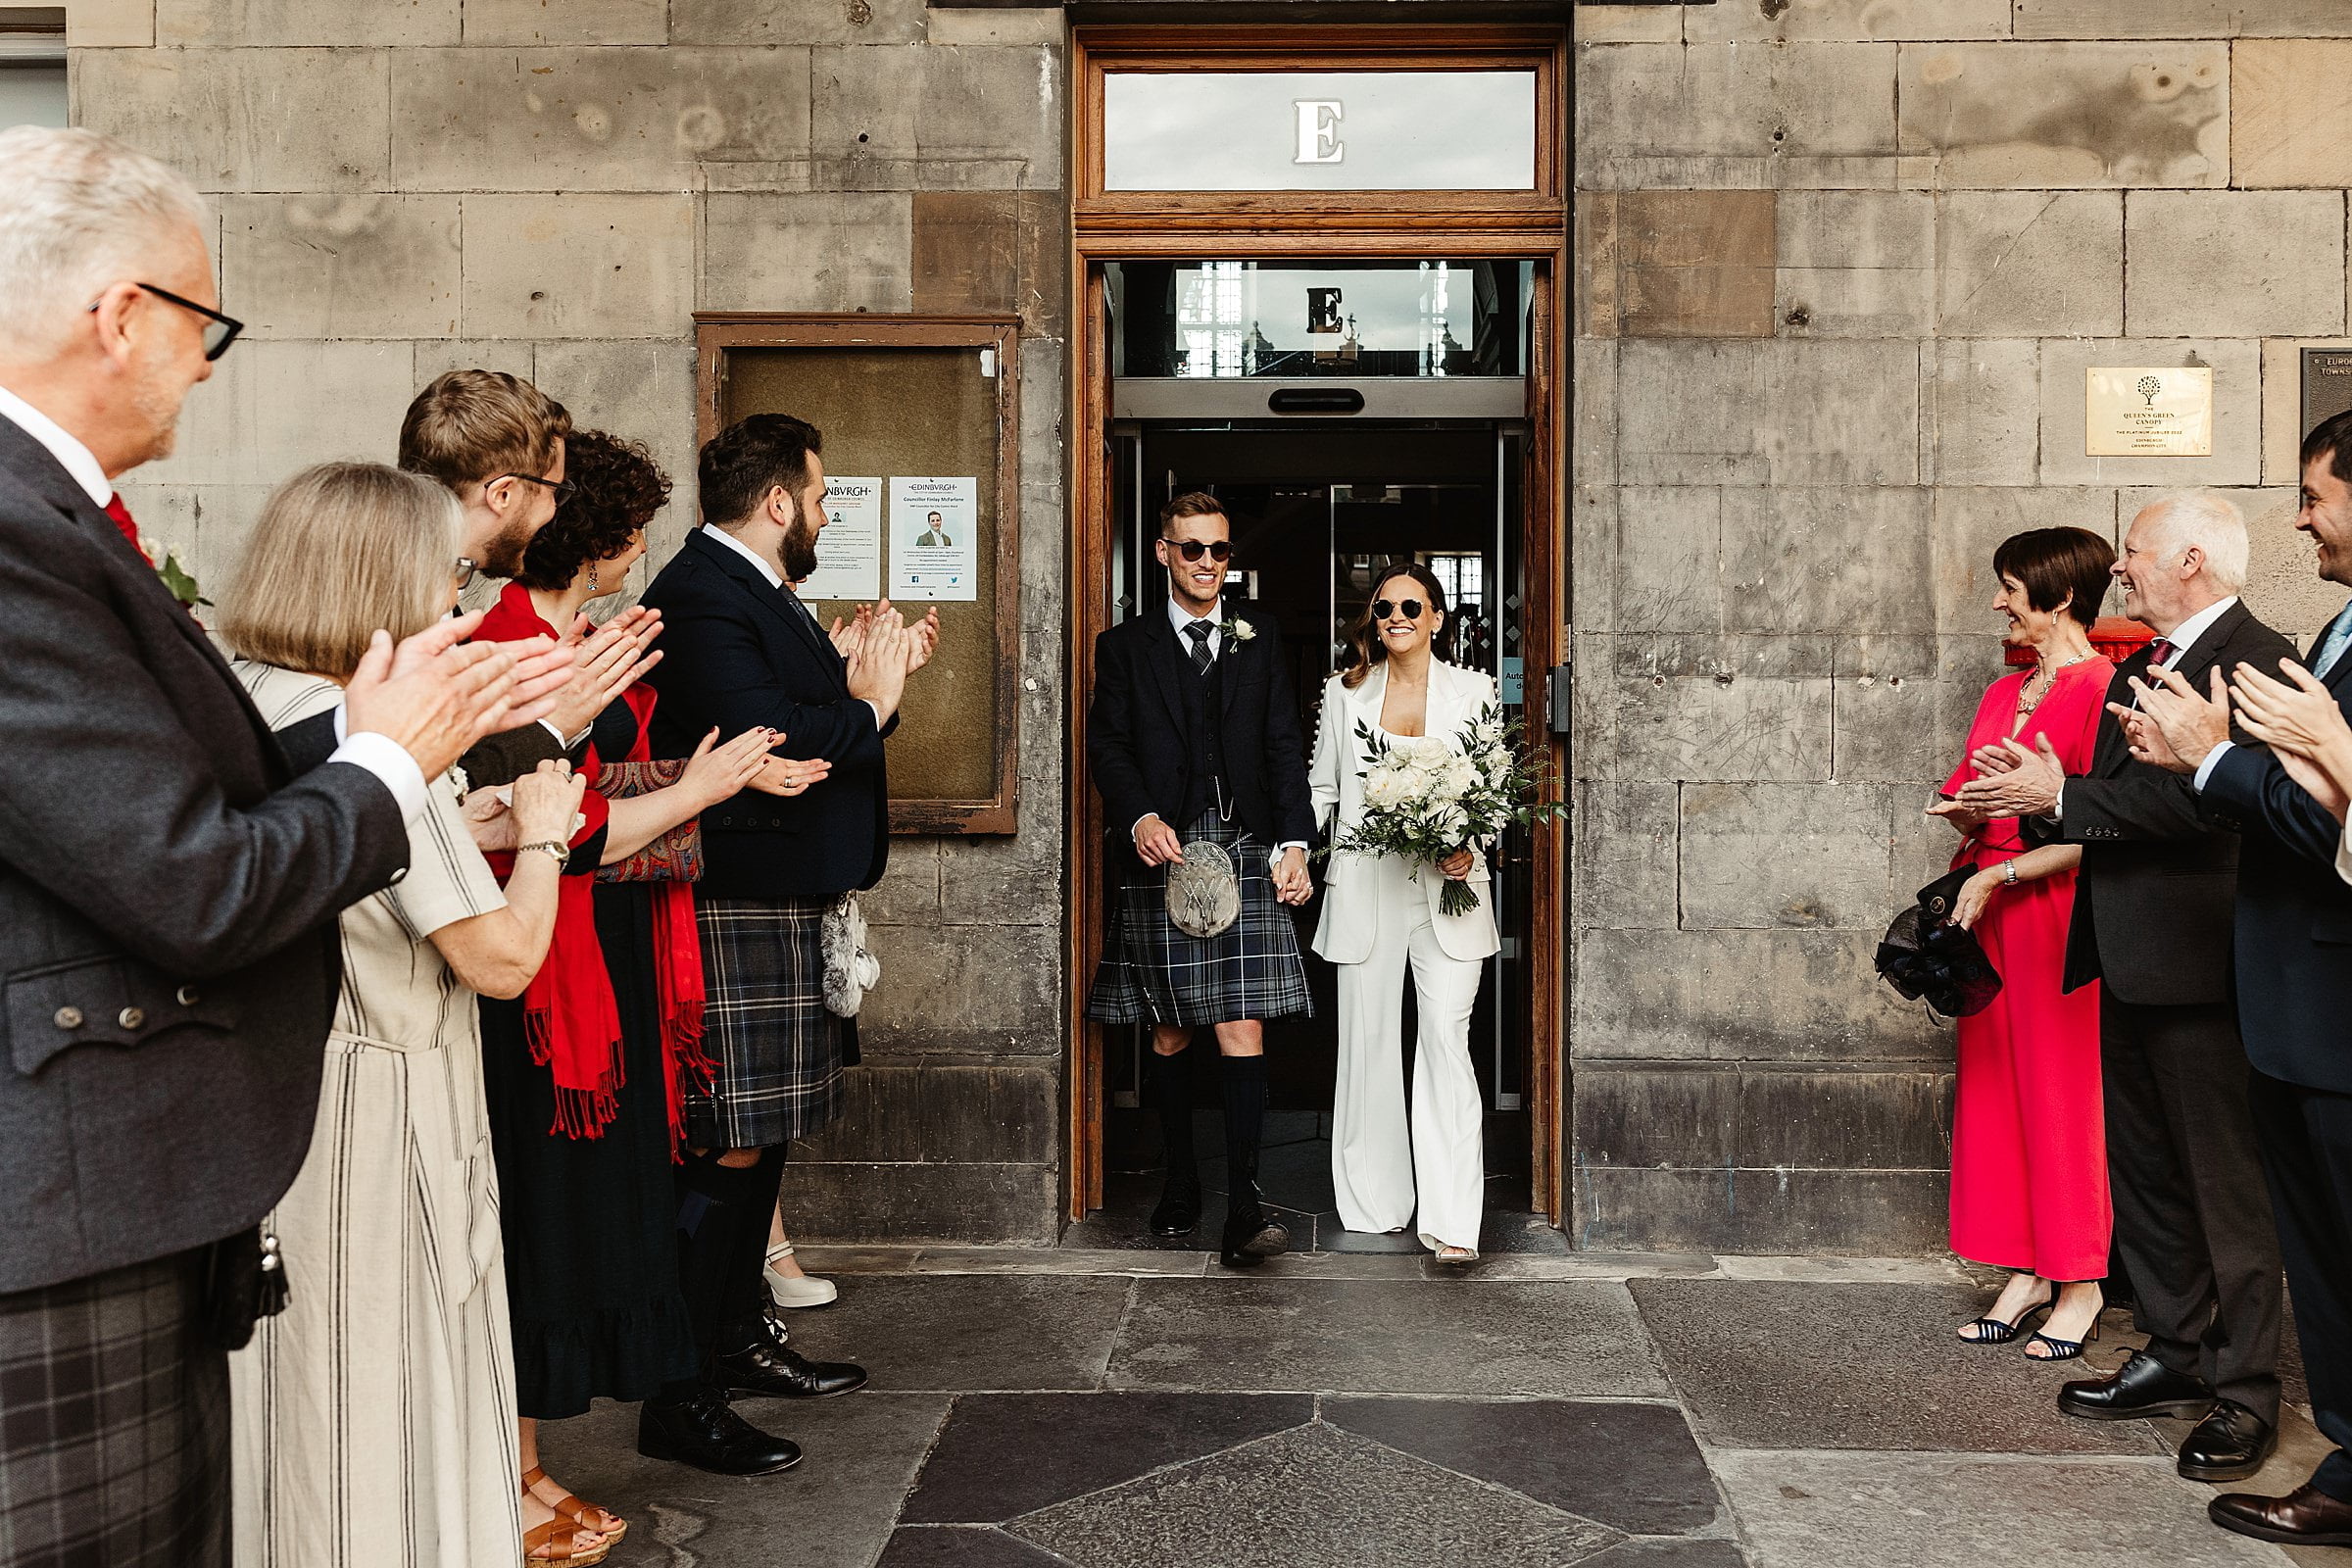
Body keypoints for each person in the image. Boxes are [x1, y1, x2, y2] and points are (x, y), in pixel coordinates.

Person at [0, 126, 565, 1568]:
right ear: (121, 316)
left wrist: (384, 744)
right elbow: (194, 877)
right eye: (205, 323)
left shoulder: (57, 516)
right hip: (72, 1196)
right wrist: (394, 758)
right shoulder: (18, 528)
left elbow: (140, 806)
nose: (208, 362)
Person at [220, 463, 597, 1567]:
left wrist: (467, 812)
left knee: (297, 1407)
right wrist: (544, 824)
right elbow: (502, 957)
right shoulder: (378, 737)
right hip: (380, 1109)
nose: (462, 601)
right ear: (383, 584)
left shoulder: (254, 697)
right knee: (388, 1405)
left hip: (285, 1098)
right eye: (448, 574)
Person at [479, 430, 833, 1516]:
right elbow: (568, 819)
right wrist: (708, 782)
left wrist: (702, 772)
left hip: (623, 936)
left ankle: (575, 1439)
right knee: (549, 1212)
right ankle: (532, 1464)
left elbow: (589, 786)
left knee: (628, 1183)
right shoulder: (515, 642)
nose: (641, 548)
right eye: (630, 528)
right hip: (558, 950)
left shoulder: (582, 634)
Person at [1957, 494, 2293, 1480]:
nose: (2123, 569)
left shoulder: (2254, 655)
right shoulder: (2156, 659)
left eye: (2137, 553)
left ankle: (2246, 1394)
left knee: (2224, 1191)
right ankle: (2176, 1353)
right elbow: (2141, 793)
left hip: (2200, 960)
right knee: (2150, 1179)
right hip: (2132, 954)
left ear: (2192, 558)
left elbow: (2222, 806)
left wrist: (2056, 796)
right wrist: (2050, 786)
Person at [638, 414, 934, 1469]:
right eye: (819, 494)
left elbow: (810, 711)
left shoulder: (757, 591)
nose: (824, 511)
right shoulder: (700, 592)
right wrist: (874, 701)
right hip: (738, 894)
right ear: (778, 503)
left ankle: (736, 1339)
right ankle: (679, 1387)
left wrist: (858, 674)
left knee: (764, 1136)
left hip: (784, 893)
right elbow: (764, 733)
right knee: (730, 1139)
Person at [2121, 408, 2352, 1547]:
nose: (2300, 516)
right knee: (2294, 1233)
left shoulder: (2268, 649)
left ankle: (2294, 1425)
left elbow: (2310, 821)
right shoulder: (2339, 627)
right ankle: (2336, 1450)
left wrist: (2208, 758)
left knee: (2291, 1225)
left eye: (2315, 495)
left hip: (2300, 977)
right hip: (2258, 974)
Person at [1084, 491, 1315, 1268]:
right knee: (1173, 1027)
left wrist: (1295, 843)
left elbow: (1284, 743)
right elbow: (1107, 748)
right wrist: (1140, 815)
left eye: (1219, 550)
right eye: (1193, 550)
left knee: (1241, 1023)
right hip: (1169, 849)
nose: (1209, 563)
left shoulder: (1260, 636)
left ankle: (1245, 1204)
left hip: (1246, 847)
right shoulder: (1125, 648)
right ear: (1163, 553)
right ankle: (1180, 1180)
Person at [1924, 526, 2116, 1359]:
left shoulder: (2109, 687)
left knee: (2061, 1093)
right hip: (1988, 904)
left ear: (2061, 594)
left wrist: (2002, 873)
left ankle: (2082, 1282)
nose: (1999, 600)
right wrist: (1962, 813)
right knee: (1998, 1089)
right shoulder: (2006, 692)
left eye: (2010, 585)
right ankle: (2026, 1267)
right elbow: (1976, 791)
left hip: (2054, 908)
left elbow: (2105, 826)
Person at [1308, 563, 1498, 1262]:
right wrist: (1301, 854)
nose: (1395, 617)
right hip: (1367, 885)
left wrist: (1469, 845)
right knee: (1367, 1041)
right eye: (1384, 607)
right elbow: (1324, 788)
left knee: (1446, 1040)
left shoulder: (1475, 692)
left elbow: (1493, 789)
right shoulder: (1344, 693)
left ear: (1438, 618)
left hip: (1447, 890)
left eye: (1411, 606)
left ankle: (1452, 1222)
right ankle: (1374, 1203)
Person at [399, 368, 662, 791]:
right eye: (553, 491)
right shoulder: (397, 604)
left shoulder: (432, 589)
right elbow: (420, 789)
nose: (555, 513)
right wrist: (555, 723)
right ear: (502, 494)